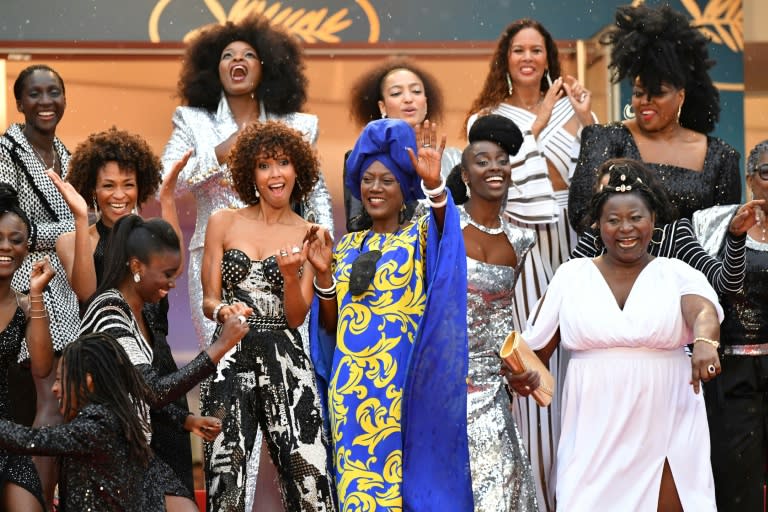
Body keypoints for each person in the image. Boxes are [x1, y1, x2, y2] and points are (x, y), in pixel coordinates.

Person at [506, 159, 722, 510]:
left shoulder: (676, 272)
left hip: (666, 420)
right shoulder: (570, 276)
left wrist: (704, 342)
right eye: (613, 219)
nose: (626, 228)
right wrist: (524, 373)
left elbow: (703, 311)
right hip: (593, 429)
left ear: (653, 220)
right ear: (597, 225)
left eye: (636, 218)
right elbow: (537, 349)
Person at [308, 119, 473, 510]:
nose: (375, 188)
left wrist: (435, 186)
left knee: (406, 492)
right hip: (350, 393)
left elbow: (446, 237)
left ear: (404, 190)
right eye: (368, 180)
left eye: (387, 180)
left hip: (404, 392)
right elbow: (331, 328)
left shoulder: (418, 237)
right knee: (357, 495)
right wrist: (324, 276)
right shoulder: (346, 246)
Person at [464, 19, 594, 509]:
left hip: (570, 238)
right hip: (518, 237)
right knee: (528, 349)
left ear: (549, 58)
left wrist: (583, 120)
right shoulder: (487, 116)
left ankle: (573, 490)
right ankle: (531, 491)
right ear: (505, 57)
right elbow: (492, 176)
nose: (527, 57)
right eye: (518, 49)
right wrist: (534, 124)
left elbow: (592, 175)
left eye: (536, 49)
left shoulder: (575, 107)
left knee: (570, 351)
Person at [46, 127, 209, 495]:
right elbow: (87, 293)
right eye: (108, 185)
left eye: (128, 184)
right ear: (91, 187)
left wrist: (167, 195)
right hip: (110, 378)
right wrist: (78, 217)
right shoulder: (72, 239)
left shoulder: (153, 234)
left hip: (159, 368)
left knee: (175, 484)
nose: (119, 195)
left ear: (140, 186)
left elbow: (175, 267)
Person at [161, 14, 333, 352]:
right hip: (217, 259)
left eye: (248, 54)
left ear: (266, 67)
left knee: (286, 352)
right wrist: (222, 151)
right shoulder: (192, 122)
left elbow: (317, 193)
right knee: (220, 357)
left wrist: (324, 244)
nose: (237, 59)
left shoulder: (298, 125)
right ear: (214, 70)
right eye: (228, 55)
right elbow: (166, 183)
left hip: (284, 257)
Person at [200, 120, 335, 512]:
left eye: (283, 163)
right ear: (250, 175)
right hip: (230, 356)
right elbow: (209, 299)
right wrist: (224, 309)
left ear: (298, 170)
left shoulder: (313, 233)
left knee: (308, 479)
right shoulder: (222, 221)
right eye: (264, 165)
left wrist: (292, 275)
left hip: (286, 361)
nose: (275, 174)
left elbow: (296, 317)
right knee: (226, 483)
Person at [78, 215, 250, 510]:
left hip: (136, 453)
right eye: (167, 274)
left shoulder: (138, 311)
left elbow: (134, 389)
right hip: (106, 459)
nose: (172, 284)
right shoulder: (108, 312)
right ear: (136, 267)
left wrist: (185, 420)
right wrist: (220, 346)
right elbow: (152, 389)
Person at [568, 4, 741, 233]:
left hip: (694, 267)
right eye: (639, 93)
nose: (645, 101)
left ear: (680, 96)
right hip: (623, 266)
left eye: (657, 92)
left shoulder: (720, 157)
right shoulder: (606, 139)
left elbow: (724, 233)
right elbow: (582, 216)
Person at [446, 114, 539, 510]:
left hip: (490, 387)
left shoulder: (520, 239)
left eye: (501, 160)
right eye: (482, 161)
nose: (494, 167)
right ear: (465, 175)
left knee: (499, 490)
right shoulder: (441, 223)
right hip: (444, 382)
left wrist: (518, 369)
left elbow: (503, 319)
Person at [0, 63, 79, 508]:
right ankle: (34, 494)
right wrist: (72, 230)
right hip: (28, 284)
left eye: (54, 92)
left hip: (68, 290)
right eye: (35, 94)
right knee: (44, 401)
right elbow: (11, 225)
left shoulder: (67, 154)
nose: (46, 102)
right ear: (19, 103)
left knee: (63, 404)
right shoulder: (7, 151)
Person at [694, 141, 768, 511]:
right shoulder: (716, 224)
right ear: (750, 178)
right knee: (737, 478)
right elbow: (711, 290)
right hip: (733, 371)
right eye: (767, 172)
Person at [571, 159, 762, 295]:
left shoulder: (675, 236)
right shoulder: (593, 240)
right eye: (606, 196)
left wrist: (736, 238)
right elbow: (562, 289)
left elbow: (727, 283)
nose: (615, 204)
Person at [344, 57, 460, 232]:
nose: (408, 99)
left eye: (416, 91)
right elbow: (356, 225)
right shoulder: (362, 156)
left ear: (426, 102)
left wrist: (433, 185)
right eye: (396, 93)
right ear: (382, 107)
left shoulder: (454, 158)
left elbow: (462, 223)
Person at [0, 184, 55, 511]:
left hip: (10, 441)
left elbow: (43, 367)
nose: (5, 246)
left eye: (16, 240)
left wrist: (36, 295)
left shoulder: (26, 305)